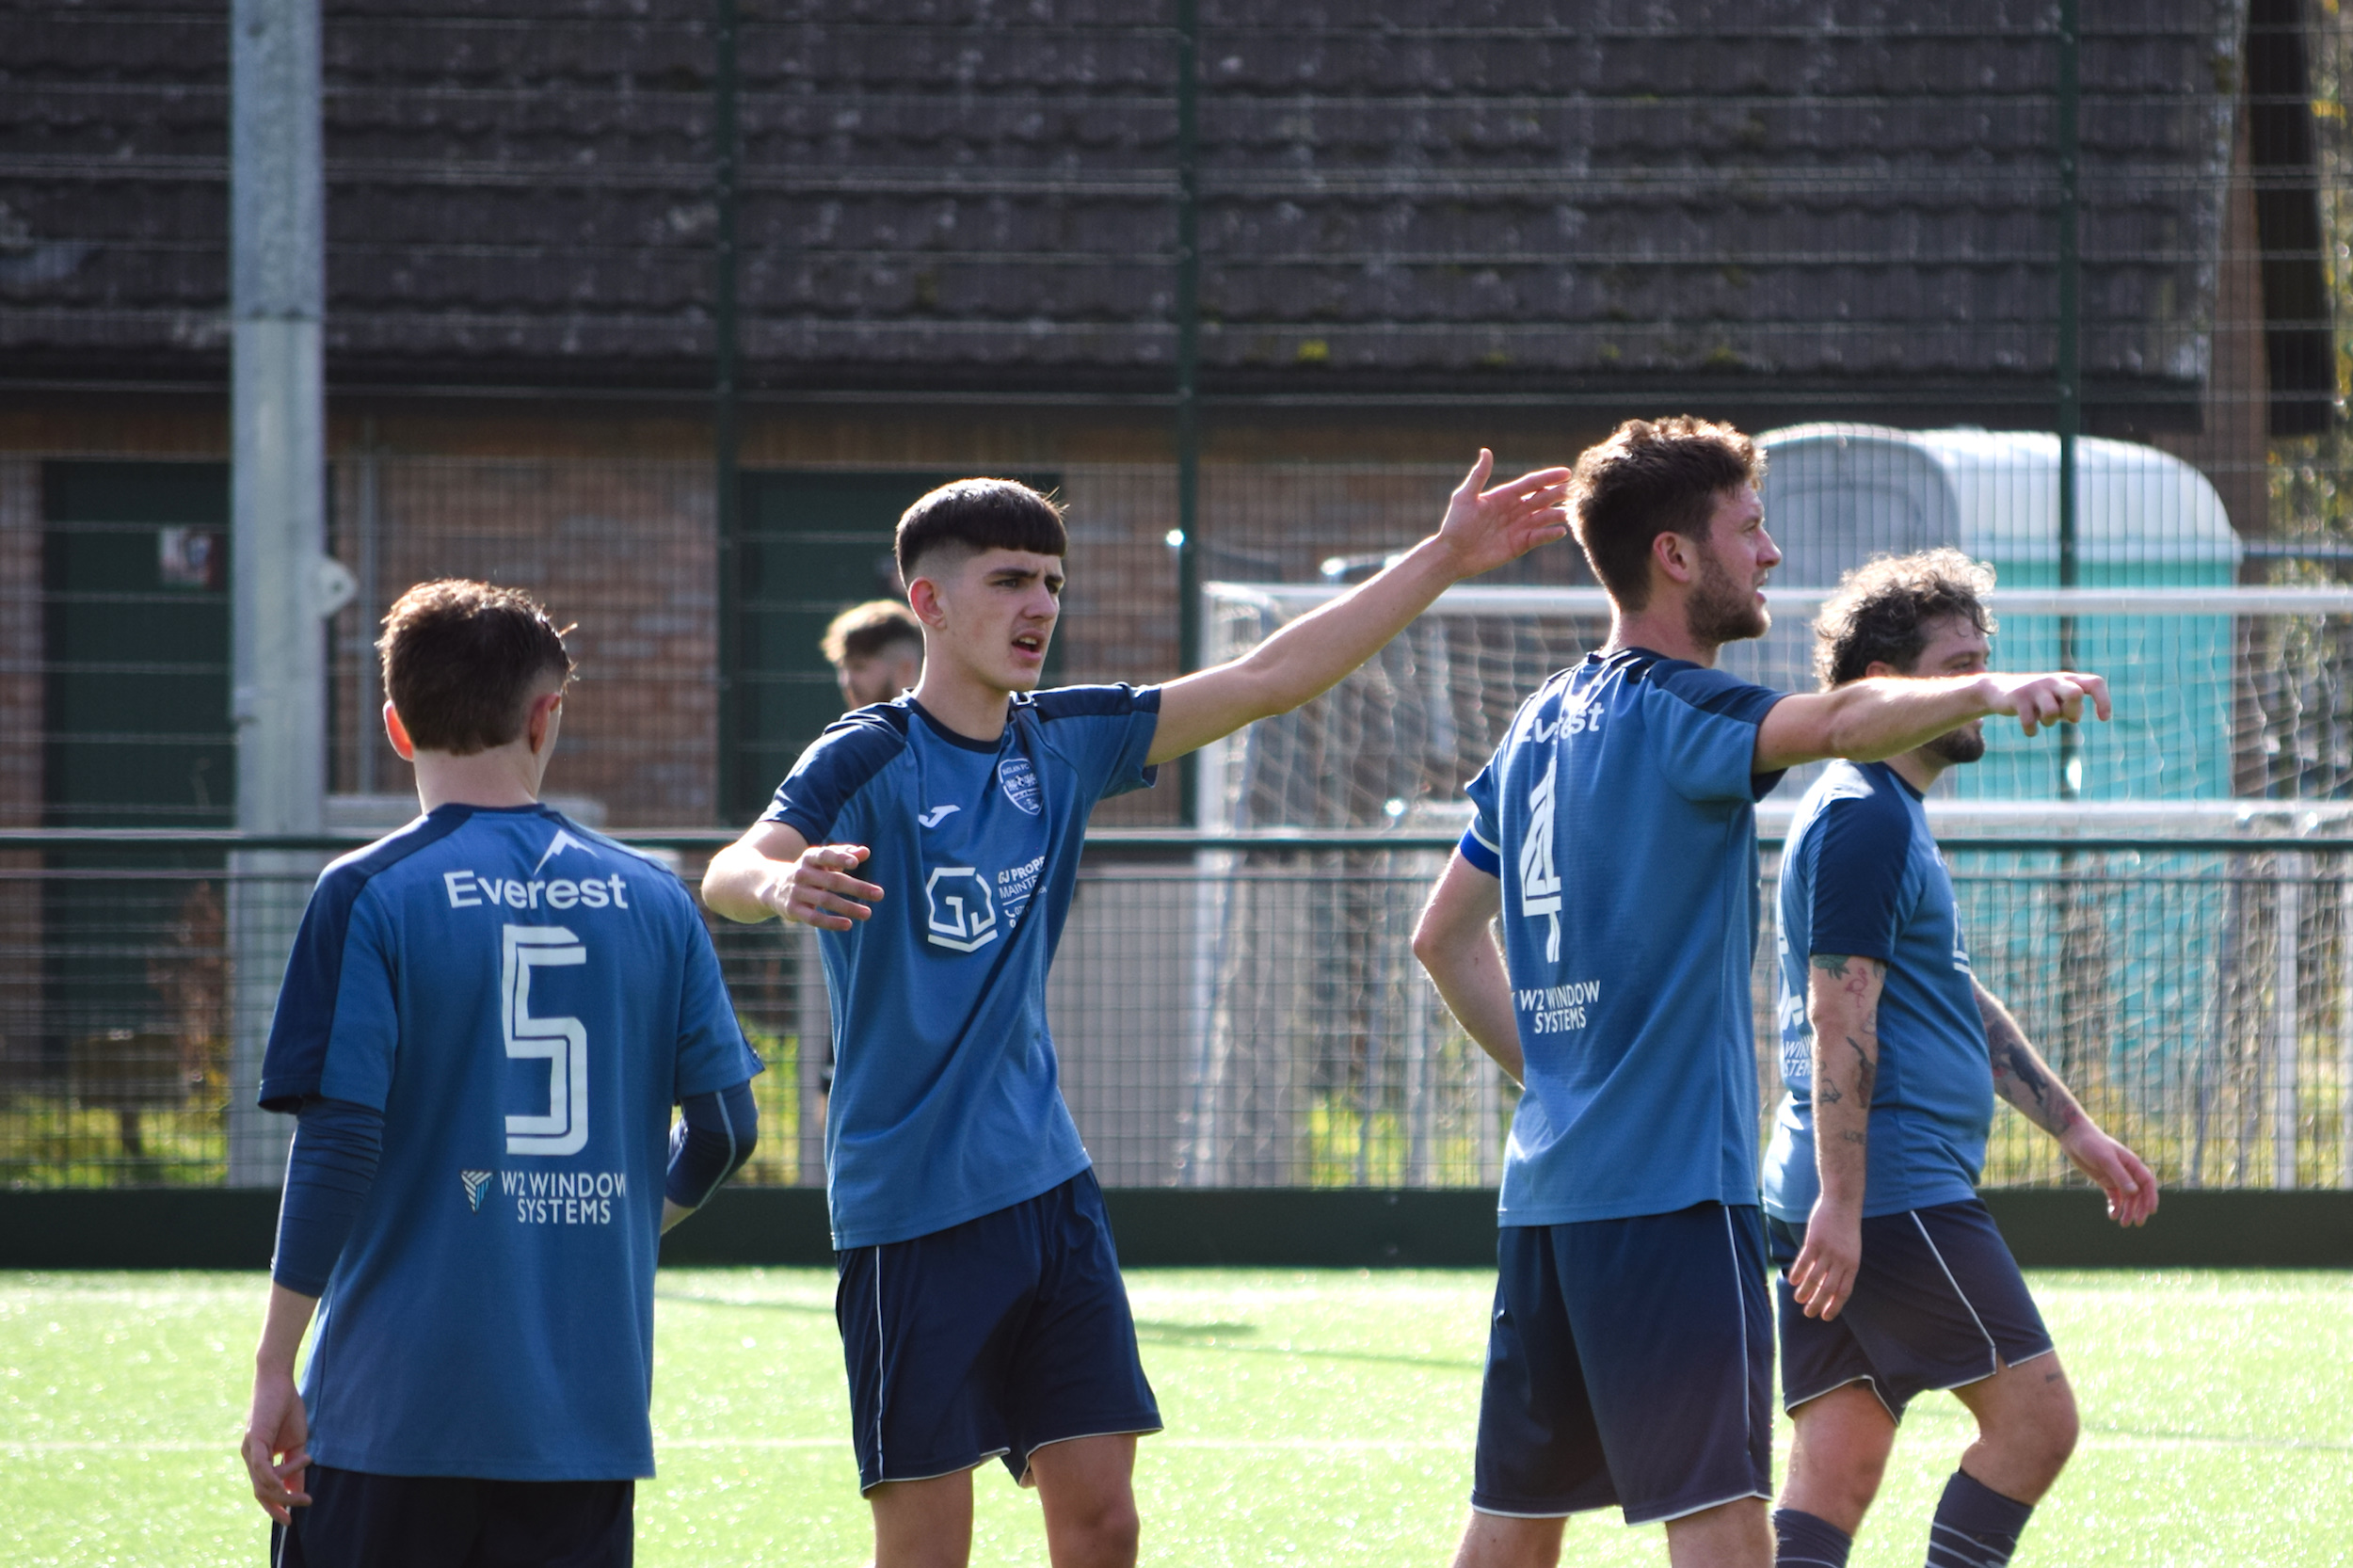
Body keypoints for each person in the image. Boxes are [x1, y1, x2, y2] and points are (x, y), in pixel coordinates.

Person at [701, 455, 1573, 1568]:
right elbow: (735, 864)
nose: (1039, 607)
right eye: (1012, 580)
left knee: (1105, 1521)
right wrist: (779, 885)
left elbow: (1269, 677)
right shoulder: (866, 751)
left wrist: (1446, 556)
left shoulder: (1065, 740)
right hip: (909, 1208)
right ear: (928, 601)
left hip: (1048, 1192)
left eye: (1053, 583)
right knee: (924, 1546)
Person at [1409, 417, 2109, 1568]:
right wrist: (1989, 687)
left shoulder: (1540, 718)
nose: (1772, 555)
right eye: (1750, 528)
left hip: (1546, 1198)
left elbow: (1442, 938)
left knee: (1513, 1524)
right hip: (1670, 1202)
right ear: (1678, 557)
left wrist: (1565, 1082)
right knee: (1727, 1525)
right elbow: (1838, 720)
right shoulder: (1680, 711)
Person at [239, 579, 763, 1566]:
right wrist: (621, 1213)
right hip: (583, 1422)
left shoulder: (366, 891)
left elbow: (340, 1139)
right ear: (543, 714)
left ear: (398, 727)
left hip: (391, 1415)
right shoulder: (655, 896)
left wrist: (276, 1362)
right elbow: (728, 1130)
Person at [1761, 551, 2158, 1568]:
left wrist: (2072, 1126)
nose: (1989, 680)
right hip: (1884, 1192)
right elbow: (1838, 1015)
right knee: (2035, 1423)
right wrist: (1844, 1207)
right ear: (1892, 683)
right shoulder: (1860, 817)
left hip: (1845, 1191)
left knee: (1838, 1466)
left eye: (1989, 656)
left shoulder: (1886, 813)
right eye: (1962, 663)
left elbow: (1943, 993)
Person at [824, 599, 926, 708]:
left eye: (859, 667)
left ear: (905, 669)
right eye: (843, 668)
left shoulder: (939, 722)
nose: (846, 681)